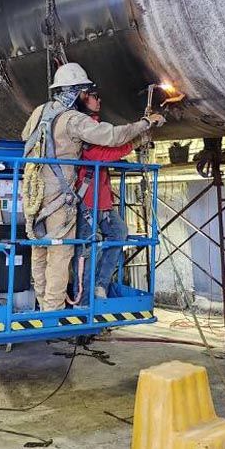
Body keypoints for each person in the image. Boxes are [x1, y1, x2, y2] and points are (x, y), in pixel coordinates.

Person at [21, 63, 164, 312]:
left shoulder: (39, 112)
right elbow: (113, 137)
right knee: (60, 253)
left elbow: (26, 137)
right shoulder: (74, 119)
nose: (87, 97)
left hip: (34, 193)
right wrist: (144, 123)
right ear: (76, 92)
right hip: (58, 198)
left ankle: (44, 304)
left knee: (40, 249)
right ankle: (52, 313)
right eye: (85, 93)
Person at [73, 88, 137, 304]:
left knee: (119, 233)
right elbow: (100, 154)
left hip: (101, 200)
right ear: (83, 98)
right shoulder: (82, 126)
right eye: (94, 96)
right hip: (88, 201)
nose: (99, 100)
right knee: (87, 251)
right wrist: (133, 143)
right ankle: (83, 304)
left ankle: (100, 285)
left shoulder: (95, 125)